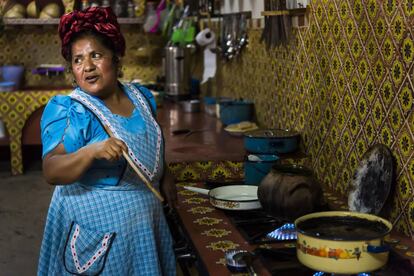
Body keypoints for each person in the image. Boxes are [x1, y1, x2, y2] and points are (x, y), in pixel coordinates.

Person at [37, 7, 177, 275]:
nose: (87, 66)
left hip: (144, 228)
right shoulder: (72, 110)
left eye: (96, 55)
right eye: (77, 60)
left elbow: (147, 148)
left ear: (115, 57)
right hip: (98, 236)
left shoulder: (142, 97)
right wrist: (92, 151)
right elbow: (51, 170)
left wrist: (164, 174)